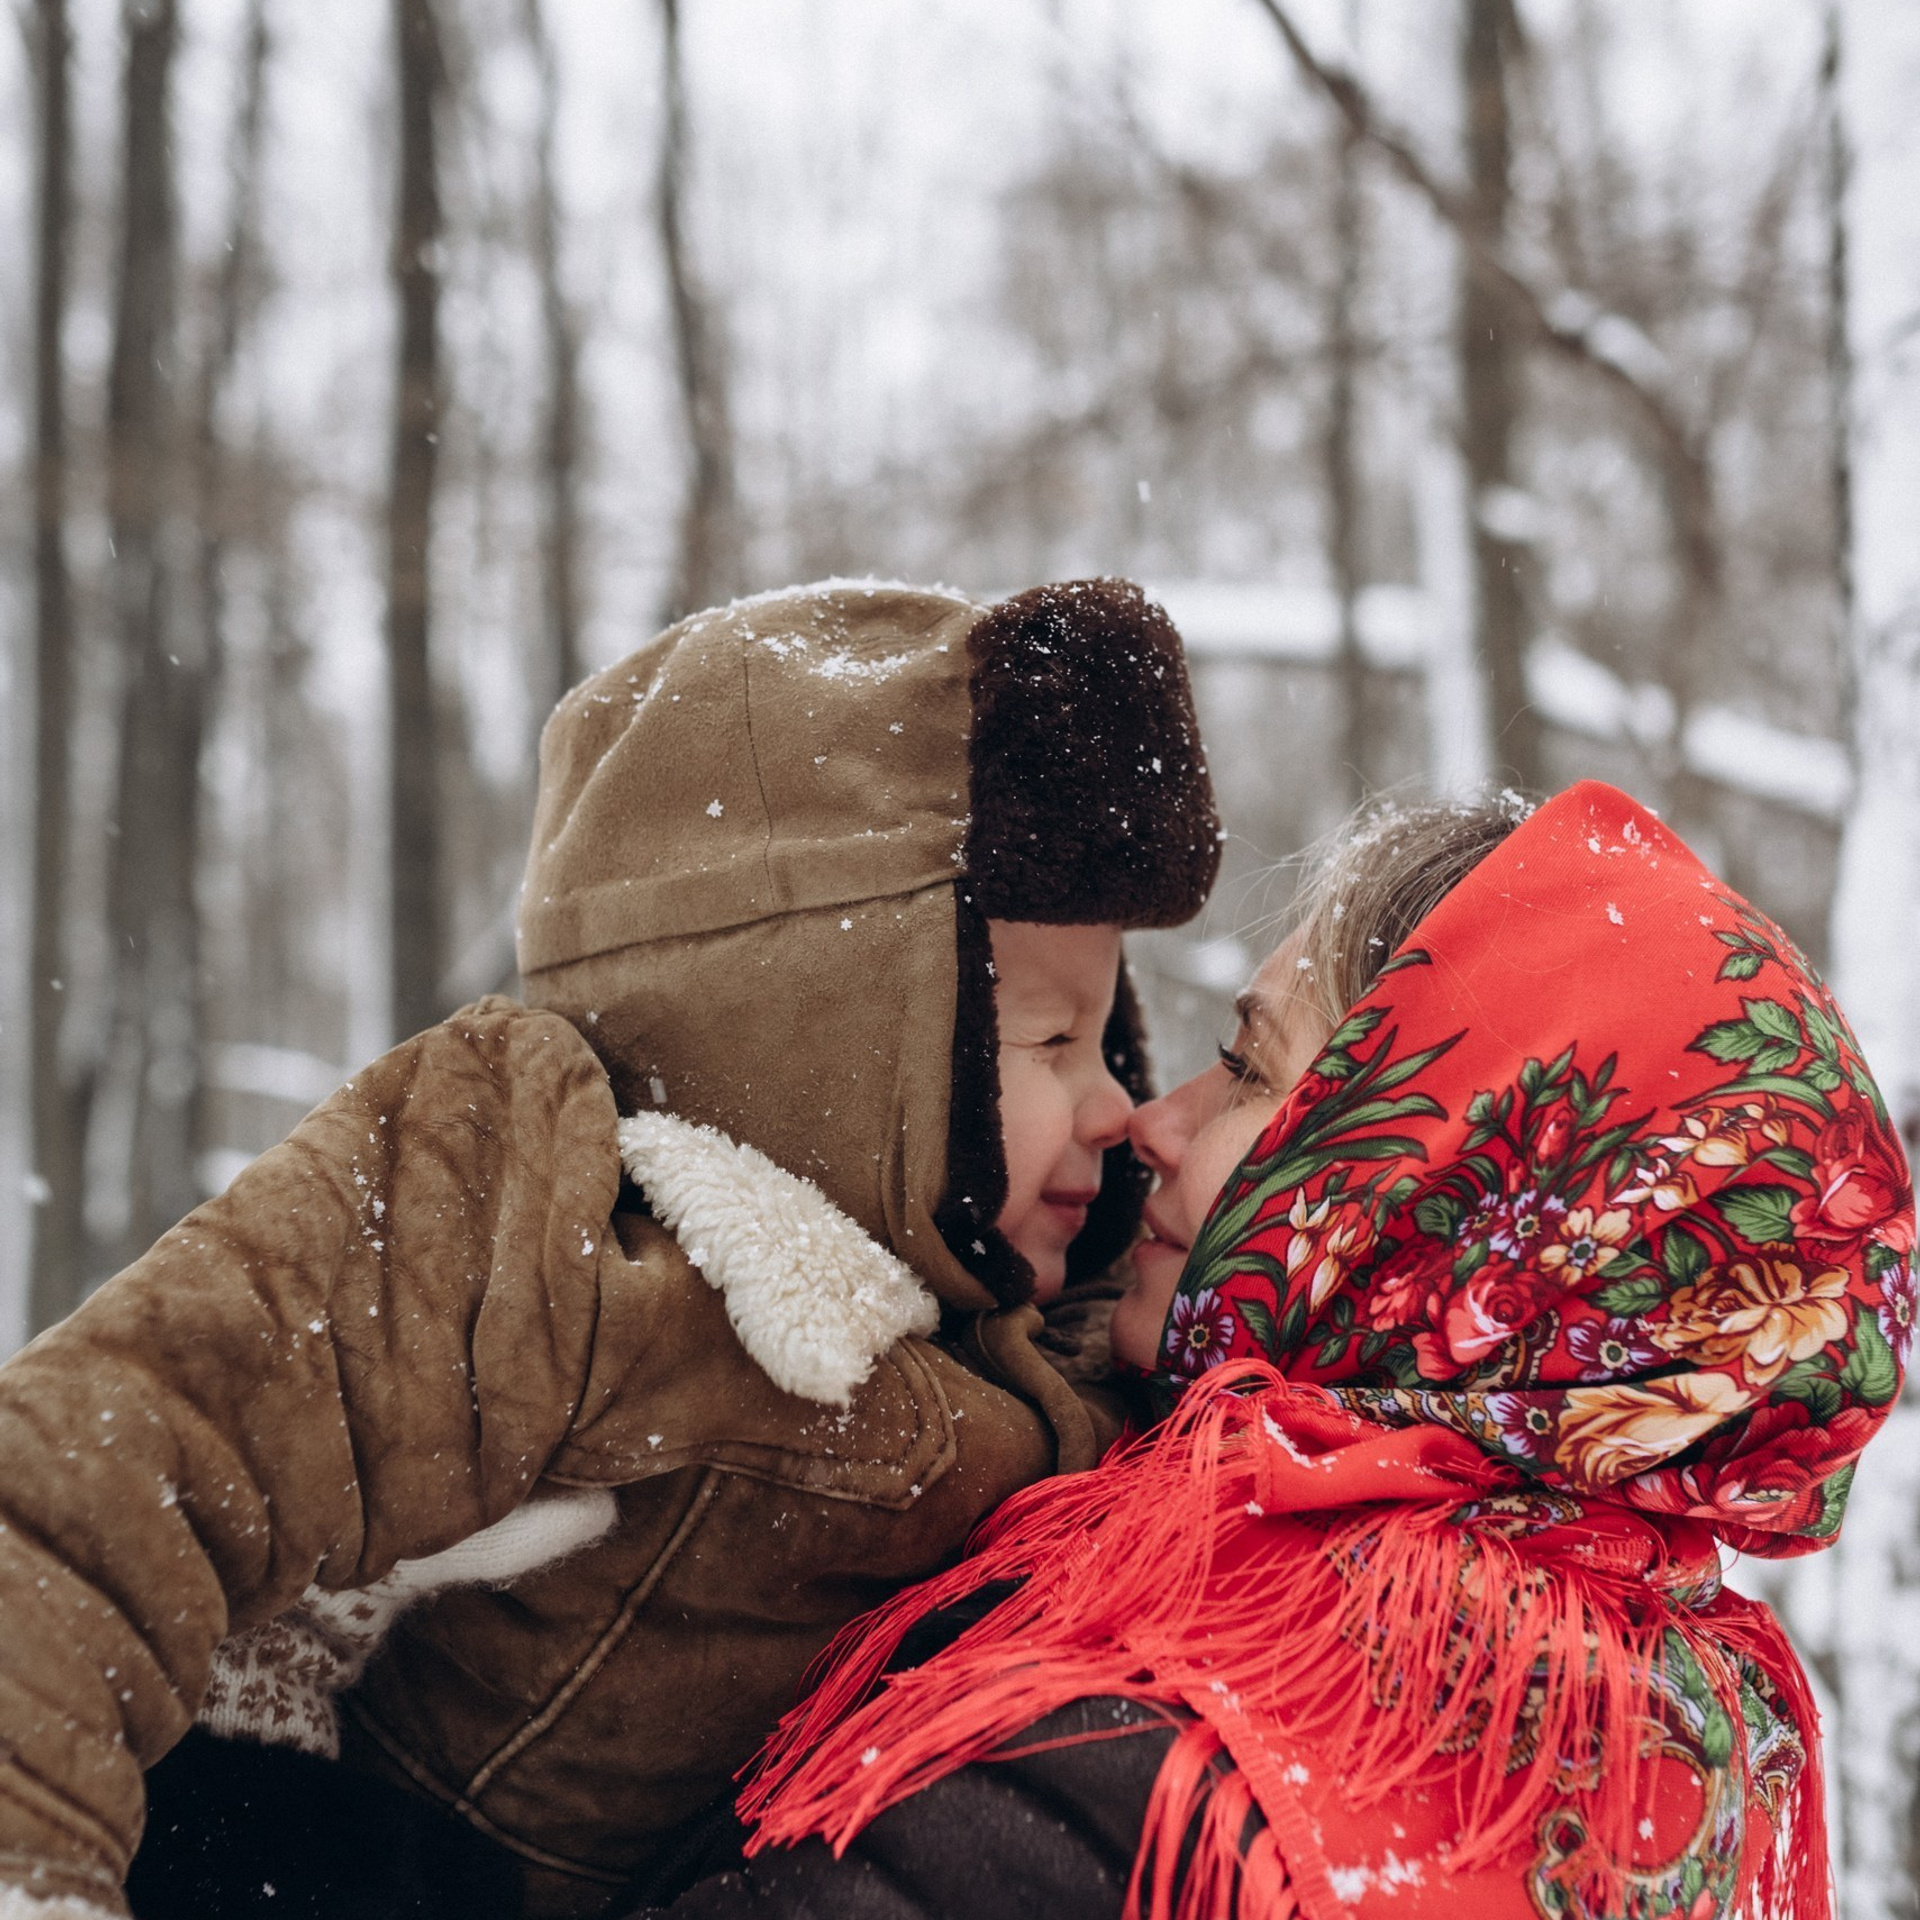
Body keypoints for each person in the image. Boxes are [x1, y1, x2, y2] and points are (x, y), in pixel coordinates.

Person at [0, 576, 1224, 1920]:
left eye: (1108, 1035)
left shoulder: (1082, 1361)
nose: (1118, 1105)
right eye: (1050, 1041)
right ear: (821, 1034)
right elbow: (84, 1493)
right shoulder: (536, 1203)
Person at [649, 781, 1913, 1920]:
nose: (1154, 1120)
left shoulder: (1168, 1766)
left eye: (1244, 1069)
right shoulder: (1702, 1739)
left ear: (1446, 1198)